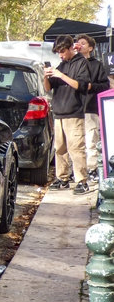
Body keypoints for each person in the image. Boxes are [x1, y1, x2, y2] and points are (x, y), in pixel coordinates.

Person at [43, 35, 91, 195]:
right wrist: (46, 76)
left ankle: (82, 181)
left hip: (74, 112)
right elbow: (49, 88)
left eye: (63, 51)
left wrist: (61, 75)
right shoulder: (62, 64)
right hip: (59, 112)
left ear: (71, 47)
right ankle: (63, 178)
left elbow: (81, 85)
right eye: (58, 53)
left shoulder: (82, 63)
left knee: (76, 148)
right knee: (60, 148)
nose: (61, 55)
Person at [75, 34, 110, 182]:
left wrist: (90, 86)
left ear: (90, 48)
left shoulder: (97, 65)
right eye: (78, 43)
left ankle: (92, 168)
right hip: (74, 108)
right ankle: (77, 171)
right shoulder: (72, 63)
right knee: (76, 143)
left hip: (90, 107)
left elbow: (105, 85)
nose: (79, 45)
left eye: (83, 43)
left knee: (91, 141)